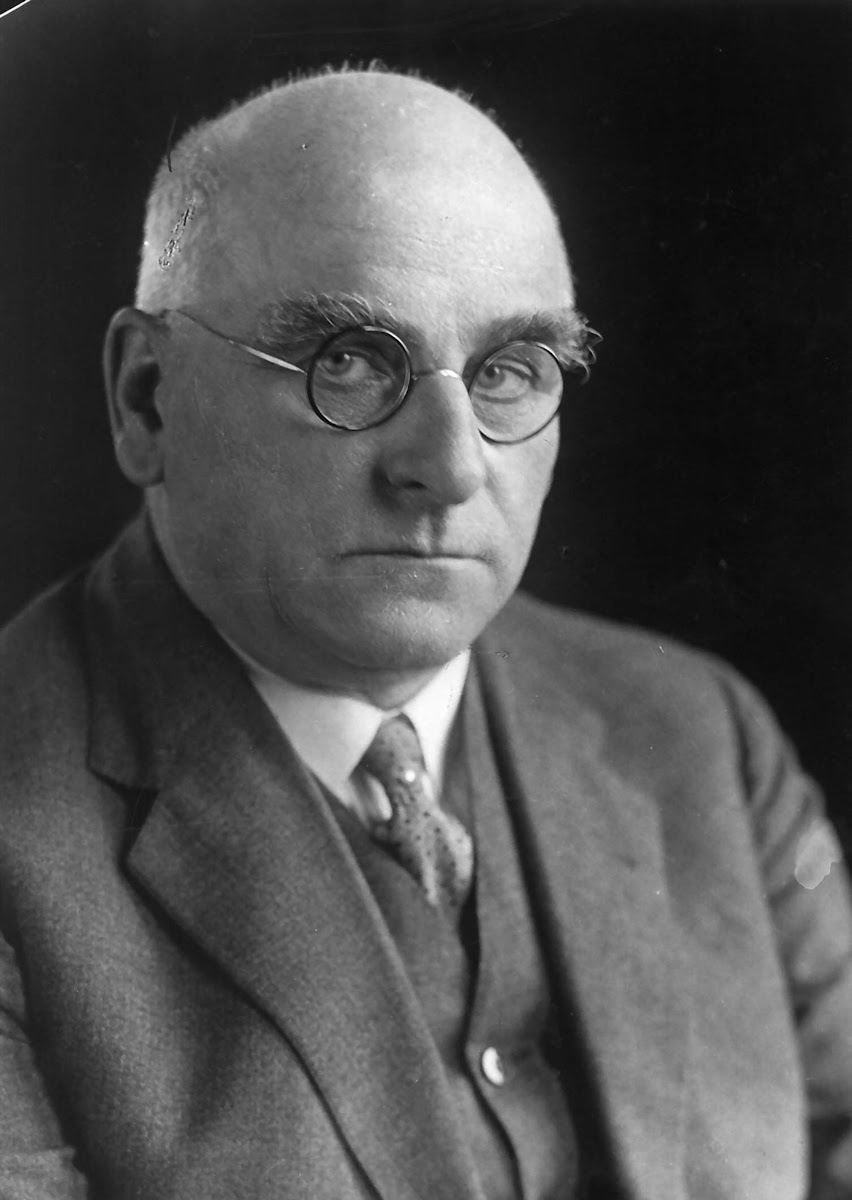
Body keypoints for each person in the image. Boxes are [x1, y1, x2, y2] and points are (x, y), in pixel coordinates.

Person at [0, 65, 850, 1200]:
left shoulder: (698, 732)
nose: (449, 466)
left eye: (509, 372)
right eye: (349, 362)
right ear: (148, 397)